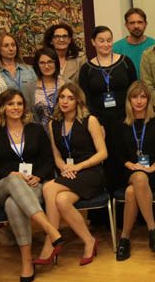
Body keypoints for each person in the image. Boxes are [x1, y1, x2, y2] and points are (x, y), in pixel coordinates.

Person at [0, 89, 63, 282]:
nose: (15, 107)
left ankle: (26, 262)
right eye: (10, 104)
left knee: (13, 204)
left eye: (19, 103)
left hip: (32, 185)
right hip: (2, 187)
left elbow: (48, 160)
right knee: (13, 180)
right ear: (2, 108)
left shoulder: (36, 130)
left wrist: (39, 175)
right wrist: (13, 174)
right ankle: (49, 228)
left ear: (25, 107)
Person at [35, 83, 107, 267]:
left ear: (78, 101)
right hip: (69, 173)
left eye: (70, 98)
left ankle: (51, 239)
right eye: (62, 97)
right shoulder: (53, 124)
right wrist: (65, 169)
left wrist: (78, 167)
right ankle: (89, 240)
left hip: (90, 172)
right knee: (61, 200)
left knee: (49, 187)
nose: (65, 101)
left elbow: (102, 153)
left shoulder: (89, 120)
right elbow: (57, 156)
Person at [114, 81, 155, 261]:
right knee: (138, 178)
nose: (139, 101)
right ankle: (153, 229)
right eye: (134, 97)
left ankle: (124, 239)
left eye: (143, 97)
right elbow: (116, 153)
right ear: (129, 100)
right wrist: (129, 165)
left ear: (148, 99)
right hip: (129, 171)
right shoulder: (121, 123)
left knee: (131, 192)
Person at [78, 25, 138, 128]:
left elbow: (135, 89)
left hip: (126, 118)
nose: (106, 44)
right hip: (98, 121)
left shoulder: (125, 62)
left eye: (109, 40)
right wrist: (94, 121)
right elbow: (85, 99)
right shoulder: (86, 68)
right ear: (93, 42)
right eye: (101, 41)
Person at [32, 47, 63, 133]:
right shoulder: (29, 88)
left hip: (64, 133)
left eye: (50, 62)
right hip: (39, 134)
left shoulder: (67, 84)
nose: (46, 66)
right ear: (37, 65)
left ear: (56, 63)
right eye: (42, 63)